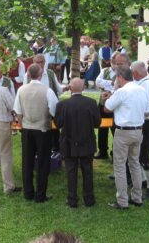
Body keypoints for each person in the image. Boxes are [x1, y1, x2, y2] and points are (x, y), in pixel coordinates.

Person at [104, 65, 149, 209]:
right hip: (138, 130)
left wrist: (113, 94)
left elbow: (107, 108)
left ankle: (122, 201)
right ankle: (137, 197)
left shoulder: (122, 91)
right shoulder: (141, 90)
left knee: (120, 166)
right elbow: (147, 112)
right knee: (134, 164)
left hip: (123, 131)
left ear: (120, 77)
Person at [14, 64, 59, 202]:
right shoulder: (47, 90)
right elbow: (54, 110)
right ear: (40, 75)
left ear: (28, 75)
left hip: (27, 129)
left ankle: (28, 193)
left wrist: (22, 124)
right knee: (43, 162)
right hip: (43, 129)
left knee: (27, 161)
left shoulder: (21, 89)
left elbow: (18, 111)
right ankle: (40, 194)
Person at [54, 78, 100, 208]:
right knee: (87, 170)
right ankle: (89, 198)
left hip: (68, 141)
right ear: (83, 88)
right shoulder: (91, 103)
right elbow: (97, 123)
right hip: (87, 141)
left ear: (70, 88)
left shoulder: (62, 105)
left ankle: (72, 198)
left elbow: (58, 123)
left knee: (71, 170)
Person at [23, 54, 68, 154]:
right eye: (37, 62)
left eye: (42, 62)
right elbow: (24, 90)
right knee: (38, 131)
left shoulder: (50, 73)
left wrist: (66, 87)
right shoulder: (28, 75)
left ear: (45, 62)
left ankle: (56, 150)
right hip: (35, 107)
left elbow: (58, 88)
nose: (40, 64)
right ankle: (38, 151)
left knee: (54, 130)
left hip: (50, 106)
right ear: (33, 63)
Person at [131, 61, 149, 200]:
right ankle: (143, 180)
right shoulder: (140, 84)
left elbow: (148, 108)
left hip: (147, 124)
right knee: (137, 153)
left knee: (145, 153)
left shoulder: (147, 85)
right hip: (141, 122)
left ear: (136, 73)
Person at [94, 52, 129, 159]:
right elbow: (97, 82)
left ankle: (115, 152)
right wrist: (111, 84)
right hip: (103, 103)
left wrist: (107, 85)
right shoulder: (105, 70)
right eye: (112, 60)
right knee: (102, 128)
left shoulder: (124, 72)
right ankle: (102, 150)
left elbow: (120, 87)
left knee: (115, 128)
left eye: (115, 60)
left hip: (116, 106)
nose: (113, 62)